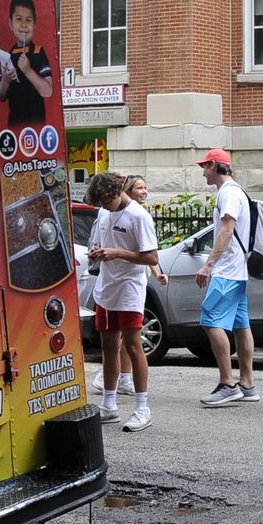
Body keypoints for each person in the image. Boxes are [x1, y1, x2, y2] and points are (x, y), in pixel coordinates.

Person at [85, 172, 160, 433]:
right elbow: (101, 243)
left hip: (129, 289)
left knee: (132, 345)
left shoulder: (138, 216)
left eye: (105, 201)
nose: (103, 207)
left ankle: (142, 408)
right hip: (106, 288)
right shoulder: (105, 213)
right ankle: (109, 405)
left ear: (118, 192)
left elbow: (151, 257)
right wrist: (97, 253)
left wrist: (117, 253)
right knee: (107, 347)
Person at [194, 148, 259, 407]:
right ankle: (248, 384)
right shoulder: (238, 190)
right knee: (241, 326)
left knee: (210, 320)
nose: (203, 172)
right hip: (238, 271)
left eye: (205, 166)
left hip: (228, 270)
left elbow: (227, 231)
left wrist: (208, 265)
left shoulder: (229, 193)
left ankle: (227, 383)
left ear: (214, 165)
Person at [0, 0, 54, 127]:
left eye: (28, 20)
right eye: (19, 19)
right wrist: (5, 79)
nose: (23, 24)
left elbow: (47, 91)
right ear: (10, 24)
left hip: (36, 126)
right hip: (14, 125)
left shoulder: (38, 52)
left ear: (35, 25)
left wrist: (28, 71)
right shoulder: (7, 56)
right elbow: (0, 96)